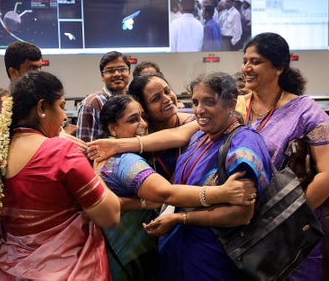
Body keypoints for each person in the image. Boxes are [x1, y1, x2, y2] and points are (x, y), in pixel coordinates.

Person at [90, 72, 273, 280]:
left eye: (209, 101)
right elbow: (168, 189)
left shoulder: (244, 142)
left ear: (231, 102)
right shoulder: (199, 138)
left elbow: (241, 214)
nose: (199, 109)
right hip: (176, 255)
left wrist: (180, 218)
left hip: (213, 259)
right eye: (195, 102)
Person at [0, 71, 120, 280]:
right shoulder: (59, 151)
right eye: (61, 106)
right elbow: (110, 216)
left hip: (10, 273)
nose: (64, 117)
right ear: (42, 107)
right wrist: (95, 171)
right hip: (67, 271)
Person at [239, 32, 329, 281]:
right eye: (245, 60)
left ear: (279, 67)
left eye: (255, 61)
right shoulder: (236, 107)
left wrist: (288, 219)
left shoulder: (303, 110)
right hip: (240, 225)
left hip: (290, 230)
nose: (246, 68)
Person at [4, 41, 86, 151]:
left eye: (40, 68)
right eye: (32, 68)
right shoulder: (2, 111)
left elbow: (65, 127)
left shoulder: (46, 99)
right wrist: (51, 140)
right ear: (14, 73)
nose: (39, 74)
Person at [128, 72, 195, 180]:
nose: (167, 99)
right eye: (156, 98)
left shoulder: (195, 124)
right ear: (143, 108)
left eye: (167, 91)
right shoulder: (137, 134)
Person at [76, 51, 131, 142]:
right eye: (110, 70)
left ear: (129, 72)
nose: (117, 74)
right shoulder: (92, 104)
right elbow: (85, 147)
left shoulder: (136, 98)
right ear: (102, 76)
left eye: (122, 69)